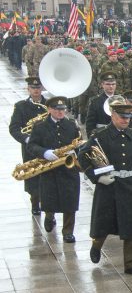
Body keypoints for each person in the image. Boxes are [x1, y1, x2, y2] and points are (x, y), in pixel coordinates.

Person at [85, 100, 132, 277]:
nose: (126, 120)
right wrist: (97, 177)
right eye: (122, 117)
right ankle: (96, 245)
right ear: (113, 116)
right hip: (109, 186)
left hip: (130, 185)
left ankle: (131, 264)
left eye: (128, 117)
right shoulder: (100, 135)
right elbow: (83, 156)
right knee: (104, 222)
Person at [27, 96, 81, 243]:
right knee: (50, 198)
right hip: (49, 170)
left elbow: (79, 143)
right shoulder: (40, 127)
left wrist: (76, 153)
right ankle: (49, 216)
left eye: (62, 109)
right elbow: (31, 146)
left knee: (70, 201)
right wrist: (44, 152)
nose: (60, 112)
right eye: (57, 109)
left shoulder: (71, 125)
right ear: (50, 109)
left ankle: (68, 231)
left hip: (68, 169)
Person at [9, 76, 47, 216]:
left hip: (47, 146)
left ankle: (48, 206)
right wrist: (27, 139)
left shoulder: (50, 104)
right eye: (33, 88)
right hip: (30, 148)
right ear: (28, 89)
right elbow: (14, 128)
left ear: (42, 89)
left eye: (38, 88)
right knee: (33, 174)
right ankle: (35, 202)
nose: (36, 90)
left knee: (48, 174)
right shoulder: (21, 106)